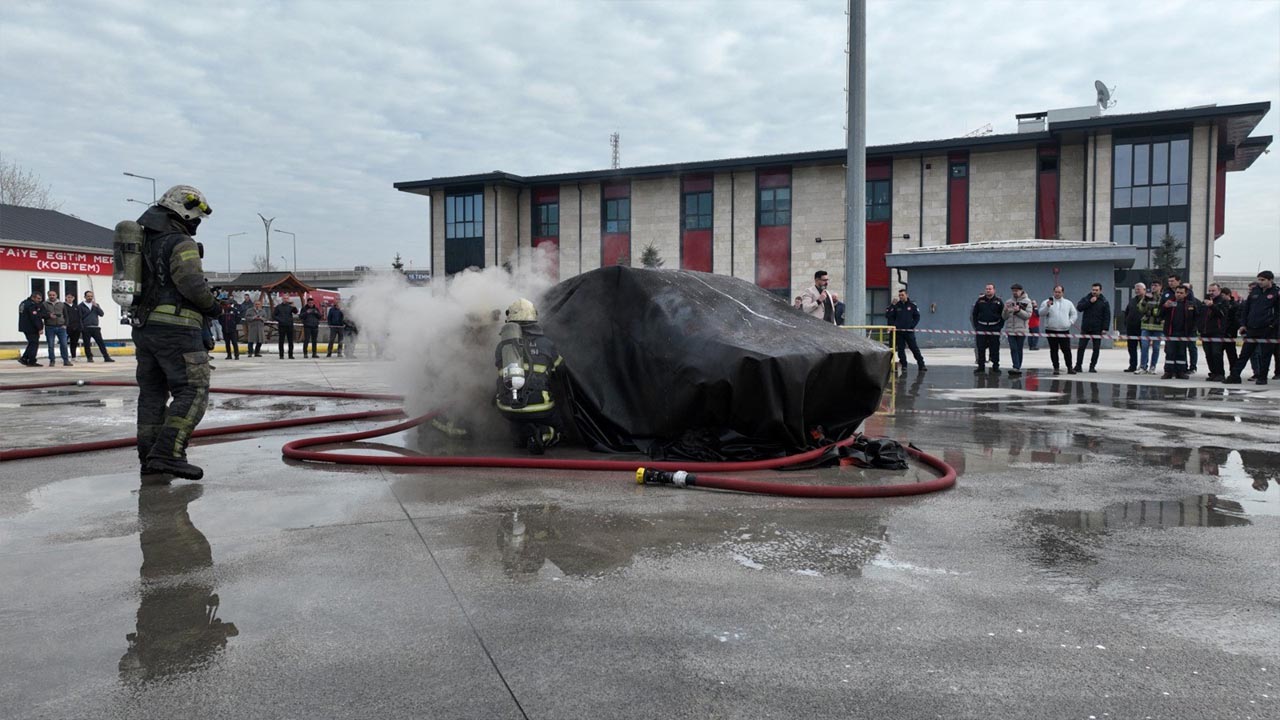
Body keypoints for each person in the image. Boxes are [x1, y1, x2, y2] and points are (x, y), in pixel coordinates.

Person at [130, 184, 219, 482]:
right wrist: (213, 306)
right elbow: (192, 284)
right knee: (192, 391)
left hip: (145, 330)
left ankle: (149, 459)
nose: (195, 223)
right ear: (183, 210)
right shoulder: (180, 241)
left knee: (152, 395)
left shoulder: (143, 241)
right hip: (178, 332)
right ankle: (168, 453)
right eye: (195, 216)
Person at [495, 298, 564, 454]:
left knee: (519, 424)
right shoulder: (547, 344)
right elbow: (560, 372)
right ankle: (544, 434)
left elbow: (499, 377)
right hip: (540, 407)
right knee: (559, 427)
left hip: (508, 407)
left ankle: (521, 435)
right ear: (534, 318)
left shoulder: (502, 347)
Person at [1225, 270, 1278, 385]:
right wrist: (1243, 324)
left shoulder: (1276, 293)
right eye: (1259, 279)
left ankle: (1262, 377)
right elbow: (1246, 309)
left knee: (1265, 355)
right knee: (1244, 354)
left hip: (1267, 329)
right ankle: (1234, 376)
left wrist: (1272, 325)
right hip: (1252, 328)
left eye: (1263, 280)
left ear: (1270, 280)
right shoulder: (1255, 292)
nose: (1260, 282)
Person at [1163, 274, 1199, 373]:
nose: (1178, 294)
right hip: (1171, 332)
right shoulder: (1168, 297)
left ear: (1186, 294)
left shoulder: (1189, 303)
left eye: (1180, 293)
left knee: (1182, 353)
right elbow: (1160, 314)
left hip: (1185, 332)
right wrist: (1165, 307)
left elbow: (1196, 316)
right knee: (1169, 352)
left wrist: (1192, 328)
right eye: (1177, 292)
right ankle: (1169, 372)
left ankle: (1183, 371)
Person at [885, 288, 926, 373]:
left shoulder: (912, 306)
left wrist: (912, 325)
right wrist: (892, 306)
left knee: (914, 348)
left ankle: (921, 365)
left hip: (909, 331)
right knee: (900, 350)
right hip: (899, 332)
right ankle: (904, 365)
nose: (900, 297)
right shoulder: (896, 306)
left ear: (907, 295)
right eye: (899, 295)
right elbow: (889, 316)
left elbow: (917, 317)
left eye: (902, 295)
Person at [1039, 285, 1078, 375]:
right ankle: (1056, 367)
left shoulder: (1068, 303)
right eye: (1055, 292)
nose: (1057, 294)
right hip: (1051, 330)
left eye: (1059, 292)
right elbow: (1041, 313)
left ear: (1062, 293)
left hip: (1064, 330)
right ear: (1053, 292)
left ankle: (1069, 367)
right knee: (1053, 350)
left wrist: (1070, 322)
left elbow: (1074, 314)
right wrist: (1047, 307)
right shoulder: (1046, 302)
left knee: (1066, 350)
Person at [1074, 282, 1111, 373]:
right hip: (1086, 328)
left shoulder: (1104, 301)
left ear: (1100, 291)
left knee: (1096, 348)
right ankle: (1078, 366)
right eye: (1093, 290)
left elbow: (1107, 316)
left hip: (1097, 329)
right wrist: (1089, 302)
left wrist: (1105, 328)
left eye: (1096, 290)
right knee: (1081, 347)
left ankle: (1092, 366)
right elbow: (1079, 308)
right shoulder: (1086, 298)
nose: (1094, 292)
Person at [1199, 283, 1231, 382]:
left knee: (1216, 353)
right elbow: (1200, 316)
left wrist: (1212, 306)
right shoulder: (1204, 302)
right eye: (1210, 291)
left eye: (1213, 291)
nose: (1211, 293)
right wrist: (1200, 329)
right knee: (1208, 354)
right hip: (1205, 332)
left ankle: (1220, 373)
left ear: (1219, 291)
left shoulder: (1223, 302)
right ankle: (1213, 372)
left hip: (1217, 332)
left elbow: (1222, 314)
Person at [970, 283, 1004, 373]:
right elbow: (974, 314)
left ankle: (995, 366)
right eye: (987, 289)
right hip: (982, 327)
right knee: (980, 347)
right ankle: (981, 366)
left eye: (990, 289)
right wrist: (977, 326)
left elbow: (1003, 315)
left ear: (994, 290)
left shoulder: (998, 301)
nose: (988, 290)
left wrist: (1000, 326)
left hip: (994, 327)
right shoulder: (980, 301)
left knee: (995, 347)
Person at [1002, 283, 1034, 377]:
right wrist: (1006, 310)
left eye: (1016, 291)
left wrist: (1018, 311)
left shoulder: (1027, 301)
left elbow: (1028, 316)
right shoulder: (1008, 301)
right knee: (1013, 348)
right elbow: (1004, 317)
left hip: (1021, 330)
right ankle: (1015, 366)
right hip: (1010, 330)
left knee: (1018, 348)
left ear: (1021, 291)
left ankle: (1017, 366)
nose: (1015, 292)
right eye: (1013, 291)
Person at [1137, 281, 1164, 374]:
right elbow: (1141, 309)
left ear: (1160, 287)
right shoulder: (1146, 296)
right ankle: (1143, 367)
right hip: (1146, 325)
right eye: (1152, 285)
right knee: (1144, 347)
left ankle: (1153, 367)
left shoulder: (1163, 297)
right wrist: (1145, 300)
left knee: (1156, 348)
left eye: (1156, 285)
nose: (1153, 287)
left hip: (1158, 326)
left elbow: (1163, 310)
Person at [78, 290, 113, 362]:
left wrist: (96, 307)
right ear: (85, 297)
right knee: (87, 344)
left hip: (95, 327)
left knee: (101, 343)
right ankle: (89, 357)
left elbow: (101, 314)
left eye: (91, 296)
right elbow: (79, 318)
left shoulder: (96, 305)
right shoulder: (80, 306)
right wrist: (81, 328)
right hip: (86, 327)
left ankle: (106, 357)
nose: (90, 298)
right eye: (88, 296)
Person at [42, 289, 72, 367]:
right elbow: (41, 315)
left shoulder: (62, 304)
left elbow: (66, 315)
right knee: (51, 345)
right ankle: (52, 360)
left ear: (56, 295)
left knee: (64, 344)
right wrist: (49, 315)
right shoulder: (44, 304)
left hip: (61, 327)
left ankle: (66, 360)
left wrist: (65, 325)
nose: (52, 296)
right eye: (50, 295)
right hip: (49, 327)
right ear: (48, 295)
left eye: (53, 295)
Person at [1121, 282, 1147, 372]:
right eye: (1135, 289)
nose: (1137, 291)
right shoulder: (1132, 300)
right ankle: (1132, 366)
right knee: (1131, 348)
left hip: (1142, 328)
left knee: (1143, 347)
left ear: (1144, 289)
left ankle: (1143, 366)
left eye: (1138, 289)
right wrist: (1126, 322)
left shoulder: (1147, 300)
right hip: (1131, 328)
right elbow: (1127, 312)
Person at [17, 290, 45, 367]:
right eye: (38, 298)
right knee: (34, 344)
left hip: (25, 327)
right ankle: (31, 361)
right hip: (31, 328)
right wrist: (40, 328)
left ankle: (25, 358)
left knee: (31, 343)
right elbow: (35, 318)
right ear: (33, 297)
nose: (40, 300)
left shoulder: (23, 303)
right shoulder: (31, 305)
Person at [64, 290, 82, 359]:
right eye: (68, 297)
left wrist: (79, 326)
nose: (70, 299)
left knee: (74, 343)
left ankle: (73, 356)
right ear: (66, 298)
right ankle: (65, 357)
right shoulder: (63, 306)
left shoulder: (76, 307)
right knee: (64, 343)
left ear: (73, 298)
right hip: (67, 327)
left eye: (71, 297)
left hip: (76, 327)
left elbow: (79, 317)